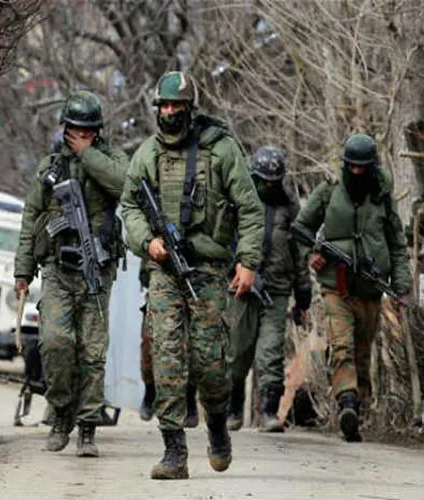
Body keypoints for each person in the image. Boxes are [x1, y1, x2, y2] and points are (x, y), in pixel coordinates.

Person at [120, 71, 264, 480]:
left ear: (190, 108)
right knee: (166, 358)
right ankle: (174, 451)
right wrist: (147, 241)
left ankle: (217, 424)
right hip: (164, 272)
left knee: (210, 363)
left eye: (177, 106)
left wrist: (248, 262)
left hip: (209, 270)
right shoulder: (148, 154)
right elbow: (130, 206)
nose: (170, 112)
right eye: (164, 105)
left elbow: (250, 209)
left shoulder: (221, 151)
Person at [14, 90, 128, 457]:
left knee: (92, 351)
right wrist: (23, 269)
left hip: (97, 268)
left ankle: (88, 426)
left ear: (97, 131)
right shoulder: (50, 165)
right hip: (57, 268)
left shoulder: (111, 159)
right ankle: (62, 411)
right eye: (74, 130)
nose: (80, 136)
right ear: (64, 128)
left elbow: (124, 185)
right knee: (55, 342)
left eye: (87, 131)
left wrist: (87, 155)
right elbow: (31, 217)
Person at [294, 133, 412, 442]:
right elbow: (301, 227)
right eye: (352, 167)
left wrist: (402, 288)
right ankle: (346, 401)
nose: (357, 172)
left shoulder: (382, 198)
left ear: (372, 167)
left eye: (363, 167)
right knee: (341, 346)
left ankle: (357, 408)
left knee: (362, 353)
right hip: (336, 287)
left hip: (371, 289)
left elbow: (398, 246)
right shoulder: (328, 192)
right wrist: (312, 253)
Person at [227, 147, 312, 433]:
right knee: (236, 351)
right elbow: (223, 239)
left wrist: (303, 295)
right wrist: (234, 266)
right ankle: (233, 408)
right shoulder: (238, 199)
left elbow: (299, 251)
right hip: (240, 287)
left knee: (271, 351)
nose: (269, 186)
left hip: (276, 288)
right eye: (264, 180)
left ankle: (268, 410)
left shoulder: (289, 206)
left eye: (274, 181)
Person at [138, 267, 200, 427]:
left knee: (194, 348)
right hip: (160, 285)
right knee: (149, 347)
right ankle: (150, 391)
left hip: (193, 288)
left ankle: (190, 399)